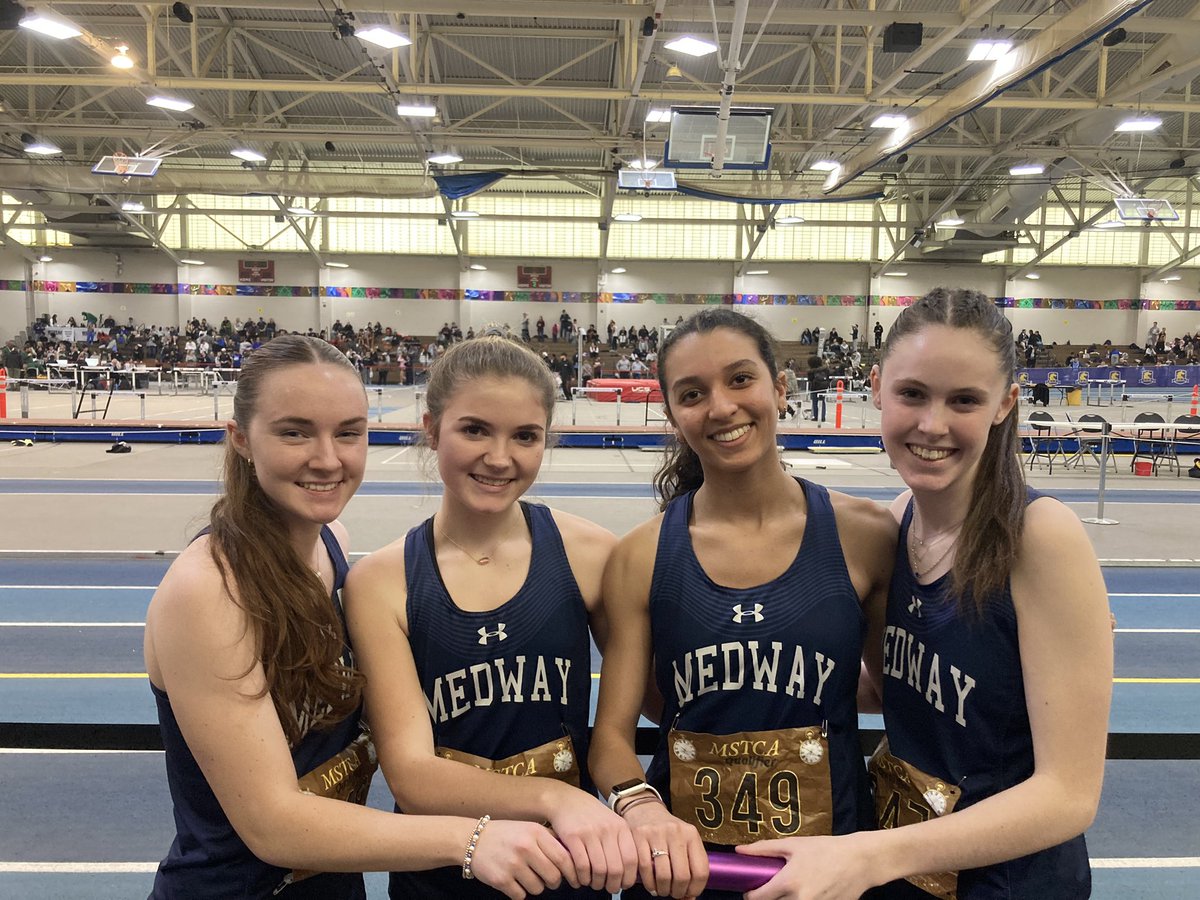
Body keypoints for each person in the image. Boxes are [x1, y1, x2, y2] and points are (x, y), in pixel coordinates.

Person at [144, 334, 577, 900]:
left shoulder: (331, 547)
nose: (327, 459)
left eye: (347, 432)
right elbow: (274, 825)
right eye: (294, 432)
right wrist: (472, 841)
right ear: (241, 439)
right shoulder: (208, 591)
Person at [737, 288, 1113, 900]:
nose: (932, 424)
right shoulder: (903, 516)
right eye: (913, 394)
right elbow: (901, 690)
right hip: (905, 869)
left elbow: (1068, 796)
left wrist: (866, 855)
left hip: (1001, 882)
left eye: (964, 400)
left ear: (1005, 404)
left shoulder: (1041, 538)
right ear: (878, 386)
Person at [589, 308, 896, 900]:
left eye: (739, 379)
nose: (721, 407)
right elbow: (611, 739)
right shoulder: (639, 557)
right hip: (685, 874)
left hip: (827, 874)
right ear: (673, 413)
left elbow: (898, 697)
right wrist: (641, 810)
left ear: (780, 388)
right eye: (692, 393)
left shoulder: (866, 534)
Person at [344, 335, 638, 899]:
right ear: (432, 429)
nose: (500, 457)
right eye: (475, 429)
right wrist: (559, 798)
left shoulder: (593, 555)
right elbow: (411, 773)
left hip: (570, 875)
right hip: (441, 877)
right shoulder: (381, 583)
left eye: (524, 436)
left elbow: (642, 706)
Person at [807, 355, 829, 424]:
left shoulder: (811, 371)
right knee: (822, 402)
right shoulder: (825, 369)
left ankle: (816, 416)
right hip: (823, 387)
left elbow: (810, 379)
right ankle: (822, 416)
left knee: (815, 402)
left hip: (814, 388)